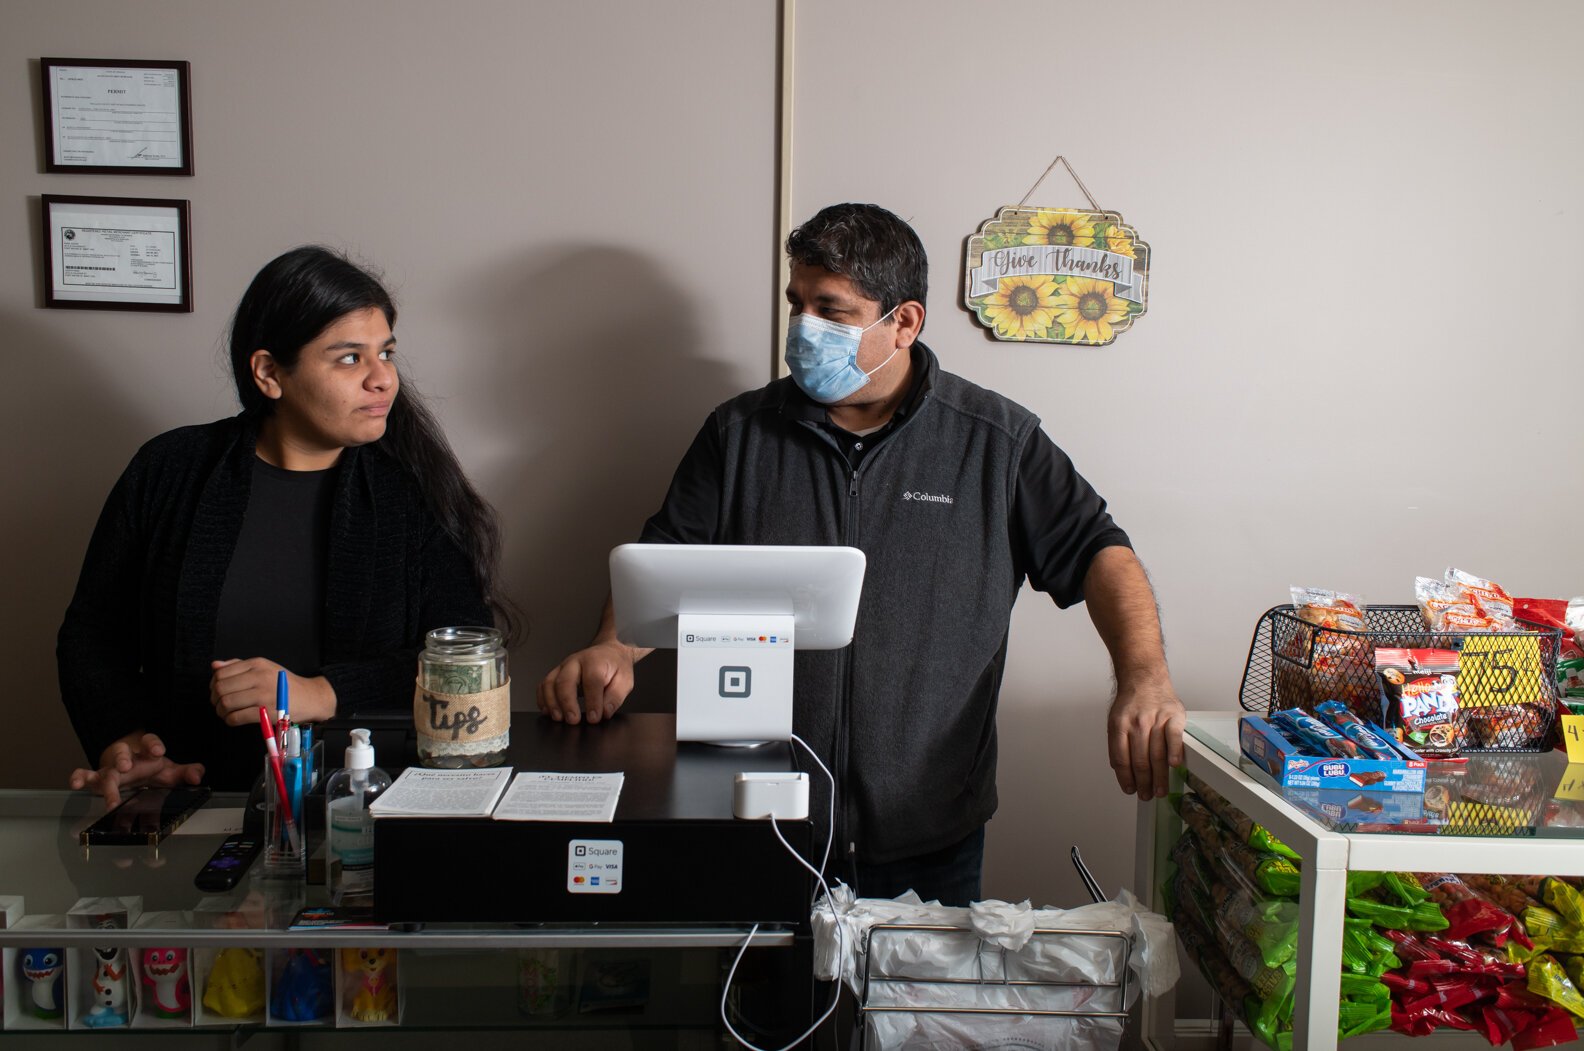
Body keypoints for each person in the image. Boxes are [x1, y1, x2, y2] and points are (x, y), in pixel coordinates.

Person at [540, 203, 1185, 905]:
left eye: (830, 309)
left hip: (930, 840)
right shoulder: (738, 435)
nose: (801, 327)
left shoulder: (996, 442)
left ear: (904, 322)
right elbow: (663, 562)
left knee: (908, 1019)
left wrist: (1144, 677)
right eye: (796, 303)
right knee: (761, 1014)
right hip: (762, 822)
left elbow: (1099, 550)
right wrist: (610, 648)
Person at [60, 246, 509, 807]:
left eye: (386, 353)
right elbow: (92, 634)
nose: (383, 379)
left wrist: (321, 693)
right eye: (350, 358)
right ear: (269, 373)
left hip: (369, 808)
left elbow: (464, 654)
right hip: (197, 800)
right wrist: (125, 743)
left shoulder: (408, 490)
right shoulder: (170, 470)